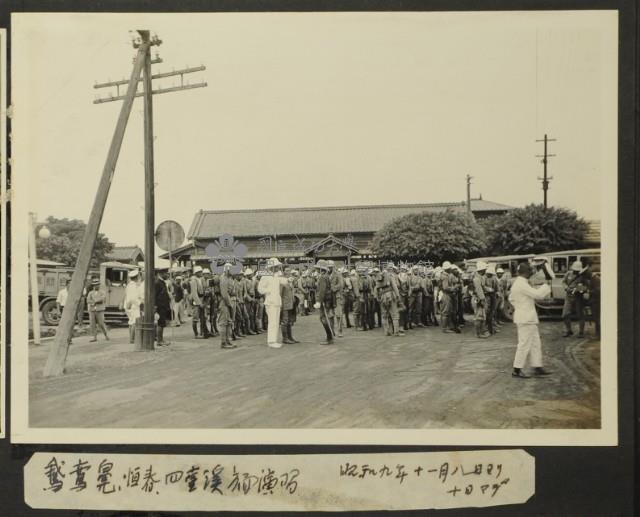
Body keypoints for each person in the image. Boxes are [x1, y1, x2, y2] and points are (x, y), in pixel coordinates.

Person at [509, 262, 552, 378]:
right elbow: (538, 295)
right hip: (526, 318)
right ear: (526, 272)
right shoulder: (521, 284)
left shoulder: (519, 283)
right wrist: (546, 284)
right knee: (524, 344)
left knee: (535, 343)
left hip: (526, 318)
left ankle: (537, 366)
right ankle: (517, 370)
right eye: (530, 271)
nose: (532, 273)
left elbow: (511, 299)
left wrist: (519, 306)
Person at [258, 257, 287, 348]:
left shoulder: (277, 275)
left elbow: (285, 282)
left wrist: (285, 277)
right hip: (270, 302)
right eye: (277, 266)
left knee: (276, 321)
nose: (278, 268)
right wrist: (268, 290)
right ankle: (271, 341)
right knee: (272, 322)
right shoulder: (265, 276)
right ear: (272, 266)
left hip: (277, 301)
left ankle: (274, 340)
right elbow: (260, 289)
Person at [561, 260, 592, 338]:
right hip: (568, 296)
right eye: (575, 270)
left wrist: (579, 289)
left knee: (580, 315)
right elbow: (563, 282)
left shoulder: (583, 276)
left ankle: (581, 332)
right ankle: (569, 330)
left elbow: (587, 286)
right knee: (565, 314)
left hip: (578, 297)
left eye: (577, 270)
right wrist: (566, 288)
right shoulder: (568, 273)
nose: (575, 271)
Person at [377, 263, 404, 337]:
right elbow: (395, 286)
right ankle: (396, 332)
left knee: (384, 315)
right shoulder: (391, 275)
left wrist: (378, 297)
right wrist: (398, 296)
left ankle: (386, 332)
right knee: (395, 315)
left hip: (382, 296)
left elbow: (376, 287)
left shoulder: (380, 276)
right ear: (391, 269)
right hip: (391, 296)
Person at [217, 262, 238, 349]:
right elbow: (224, 294)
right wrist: (230, 305)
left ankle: (228, 341)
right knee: (224, 323)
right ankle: (223, 342)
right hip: (224, 303)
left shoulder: (229, 279)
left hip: (229, 302)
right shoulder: (224, 279)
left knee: (229, 322)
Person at [314, 260, 335, 344]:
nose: (315, 270)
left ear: (320, 269)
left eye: (317, 268)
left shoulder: (322, 277)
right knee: (325, 318)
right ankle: (330, 336)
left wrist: (319, 301)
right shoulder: (325, 276)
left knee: (324, 318)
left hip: (325, 300)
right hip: (327, 299)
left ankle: (329, 337)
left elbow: (322, 290)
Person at [470, 261, 491, 339]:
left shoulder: (480, 278)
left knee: (481, 316)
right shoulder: (477, 279)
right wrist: (483, 300)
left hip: (479, 298)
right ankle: (478, 333)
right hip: (478, 299)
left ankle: (480, 331)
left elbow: (483, 287)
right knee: (478, 317)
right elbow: (479, 291)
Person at [123, 269, 143, 344]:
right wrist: (139, 303)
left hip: (128, 305)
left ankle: (131, 338)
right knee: (134, 321)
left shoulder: (129, 285)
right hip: (133, 305)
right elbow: (133, 298)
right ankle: (132, 339)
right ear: (137, 277)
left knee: (131, 321)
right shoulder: (134, 286)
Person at [154, 270, 172, 346]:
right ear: (160, 274)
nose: (167, 275)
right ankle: (159, 340)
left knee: (162, 323)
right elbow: (154, 295)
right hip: (160, 306)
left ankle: (161, 339)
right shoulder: (157, 283)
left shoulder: (162, 282)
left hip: (163, 306)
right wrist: (155, 306)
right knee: (160, 323)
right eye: (165, 273)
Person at [189, 265, 207, 339]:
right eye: (199, 272)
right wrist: (199, 303)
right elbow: (194, 293)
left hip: (201, 299)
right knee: (195, 318)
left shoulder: (200, 280)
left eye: (201, 272)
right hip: (196, 301)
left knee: (203, 317)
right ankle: (196, 334)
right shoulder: (193, 281)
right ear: (196, 273)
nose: (201, 273)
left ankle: (202, 332)